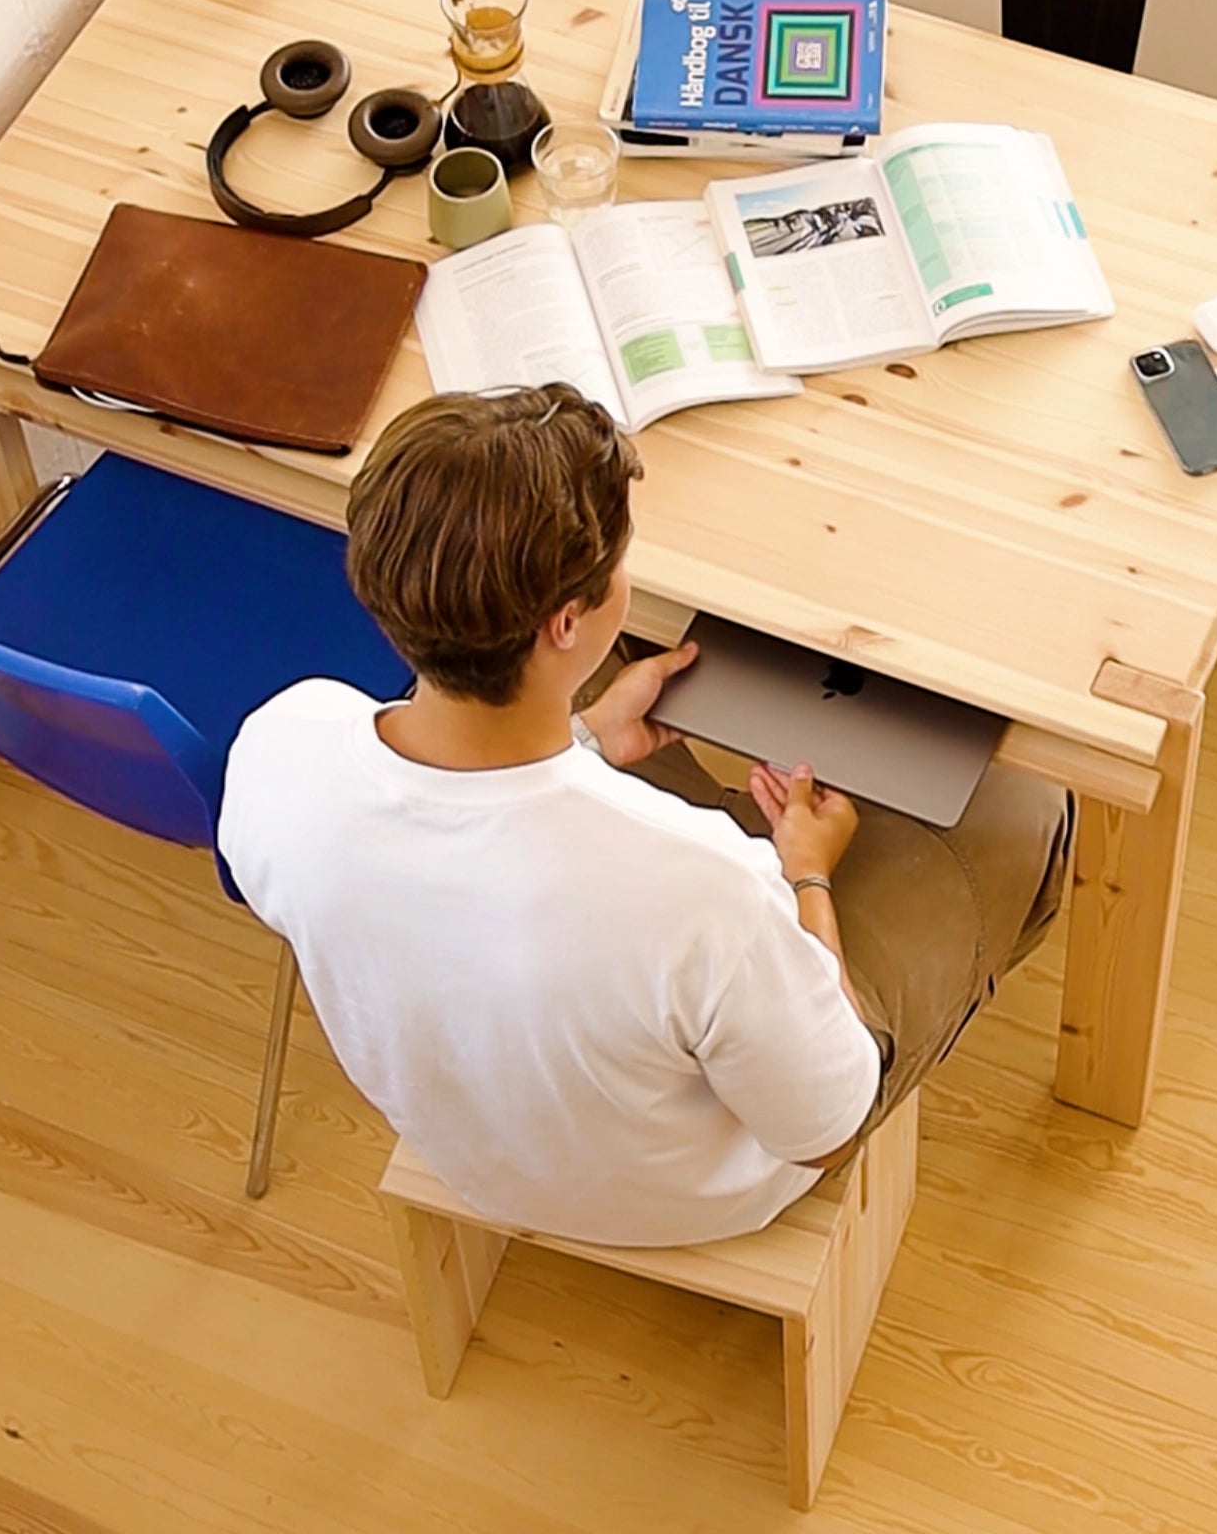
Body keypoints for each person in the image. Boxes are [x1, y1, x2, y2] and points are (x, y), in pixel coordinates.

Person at [219, 384, 1071, 1247]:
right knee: (1020, 804)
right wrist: (806, 874)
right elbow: (825, 1128)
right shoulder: (710, 886)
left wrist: (584, 740)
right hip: (685, 1193)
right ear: (565, 622)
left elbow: (445, 883)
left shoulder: (278, 746)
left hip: (470, 1146)